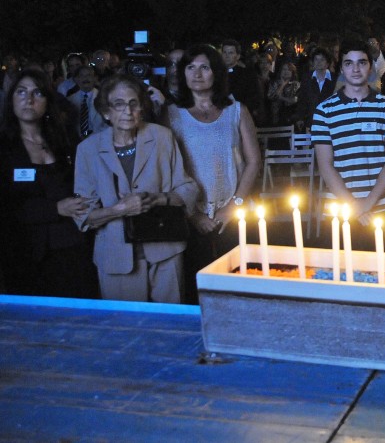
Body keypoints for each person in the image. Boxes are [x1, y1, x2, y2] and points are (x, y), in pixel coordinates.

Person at [73, 74, 198, 303]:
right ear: (105, 112)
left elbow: (188, 188)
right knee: (127, 328)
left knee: (168, 326)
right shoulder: (87, 150)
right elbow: (84, 217)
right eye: (118, 104)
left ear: (142, 107)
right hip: (115, 257)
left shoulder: (162, 137)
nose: (127, 111)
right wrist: (119, 210)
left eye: (133, 103)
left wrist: (159, 198)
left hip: (165, 251)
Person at [0, 69, 98, 298]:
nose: (29, 99)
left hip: (73, 247)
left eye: (37, 93)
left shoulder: (65, 141)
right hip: (26, 253)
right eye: (21, 92)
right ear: (11, 99)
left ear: (48, 101)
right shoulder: (4, 148)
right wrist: (55, 209)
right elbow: (5, 207)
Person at [166, 45, 261, 250]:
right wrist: (193, 214)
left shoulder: (236, 110)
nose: (197, 74)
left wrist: (233, 205)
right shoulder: (171, 115)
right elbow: (167, 168)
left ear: (216, 73)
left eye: (205, 68)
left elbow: (253, 161)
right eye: (190, 67)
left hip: (233, 208)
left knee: (236, 273)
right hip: (190, 212)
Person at [312, 38, 385, 234]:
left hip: (381, 208)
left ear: (370, 67)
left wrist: (367, 204)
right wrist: (353, 205)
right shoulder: (324, 110)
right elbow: (325, 164)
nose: (355, 69)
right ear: (341, 69)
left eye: (362, 62)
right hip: (341, 209)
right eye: (348, 63)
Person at [295, 47, 335, 133]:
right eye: (316, 59)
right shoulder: (307, 78)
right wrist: (300, 118)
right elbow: (302, 99)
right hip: (311, 120)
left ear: (327, 63)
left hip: (331, 121)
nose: (319, 62)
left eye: (322, 60)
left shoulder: (334, 79)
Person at [266, 61, 300, 127]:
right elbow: (271, 97)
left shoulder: (296, 84)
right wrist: (282, 85)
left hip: (290, 115)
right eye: (284, 69)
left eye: (288, 70)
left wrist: (281, 98)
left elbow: (294, 100)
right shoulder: (274, 83)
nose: (286, 71)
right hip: (275, 115)